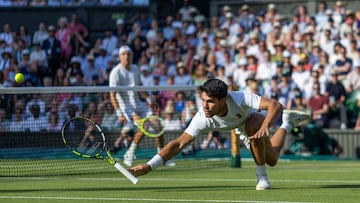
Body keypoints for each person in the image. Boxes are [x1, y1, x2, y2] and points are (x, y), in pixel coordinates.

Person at [129, 78, 310, 190]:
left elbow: (275, 105)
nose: (205, 106)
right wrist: (149, 166)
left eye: (210, 102)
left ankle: (261, 176)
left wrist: (267, 125)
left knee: (254, 123)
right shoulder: (203, 117)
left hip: (252, 123)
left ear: (223, 100)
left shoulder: (239, 98)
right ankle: (287, 122)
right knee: (273, 159)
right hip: (242, 129)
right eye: (203, 101)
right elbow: (178, 144)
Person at [109, 45, 153, 167]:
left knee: (158, 125)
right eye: (123, 54)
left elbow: (140, 88)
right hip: (126, 108)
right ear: (120, 57)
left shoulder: (135, 69)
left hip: (139, 104)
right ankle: (130, 153)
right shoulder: (115, 73)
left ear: (132, 56)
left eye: (128, 54)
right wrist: (119, 113)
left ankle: (162, 156)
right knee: (144, 126)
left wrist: (149, 100)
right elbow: (112, 95)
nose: (126, 56)